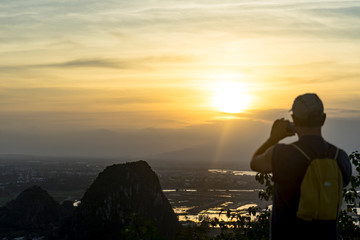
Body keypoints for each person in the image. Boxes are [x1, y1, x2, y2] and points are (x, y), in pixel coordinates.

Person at [250, 93, 352, 240]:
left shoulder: (283, 154)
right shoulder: (340, 157)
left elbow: (254, 163)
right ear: (323, 119)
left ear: (294, 120)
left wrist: (274, 138)